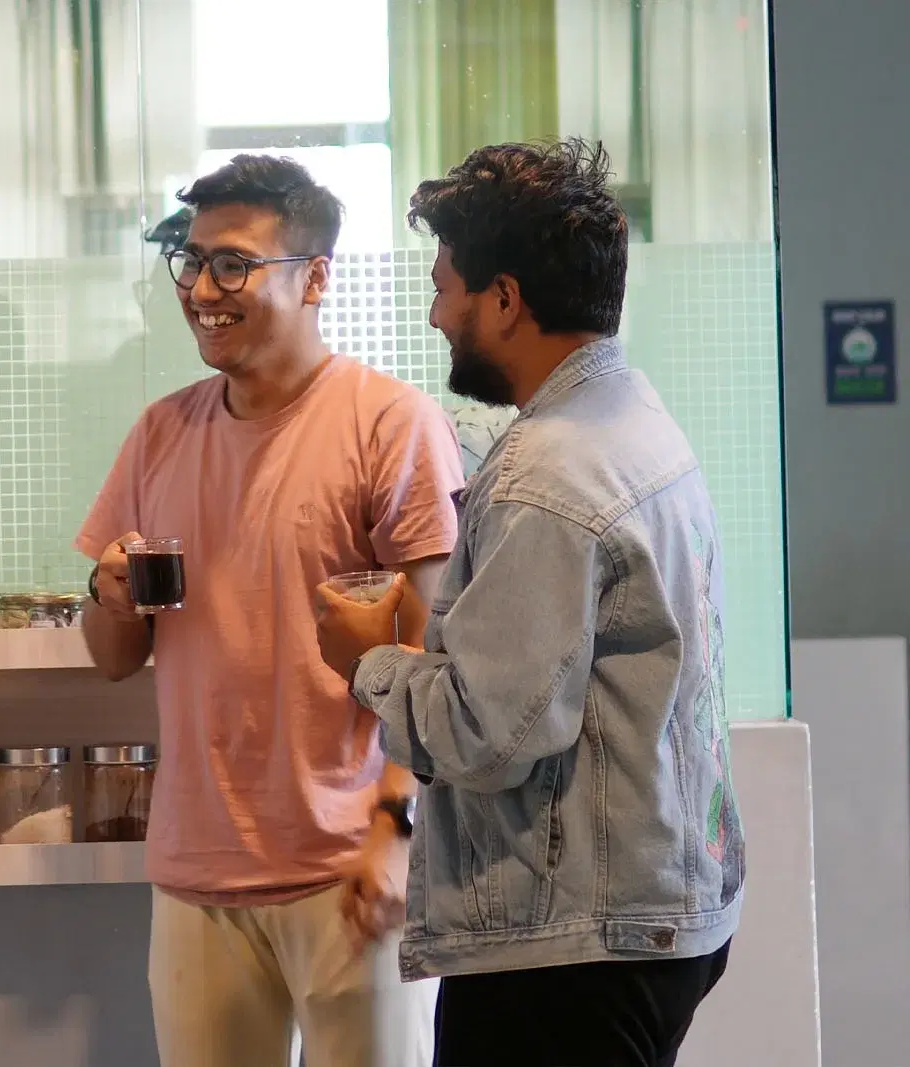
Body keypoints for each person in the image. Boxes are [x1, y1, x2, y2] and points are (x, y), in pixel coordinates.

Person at [314, 139, 743, 1067]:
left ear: (505, 298)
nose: (435, 316)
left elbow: (490, 734)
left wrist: (368, 659)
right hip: (652, 911)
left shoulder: (546, 471)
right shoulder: (633, 417)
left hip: (570, 950)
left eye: (445, 288)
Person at [77, 154, 464, 1067]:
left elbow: (438, 659)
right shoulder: (160, 433)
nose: (203, 289)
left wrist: (395, 835)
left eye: (234, 264)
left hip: (348, 868)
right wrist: (107, 591)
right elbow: (111, 656)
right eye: (193, 262)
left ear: (316, 276)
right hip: (196, 871)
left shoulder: (391, 424)